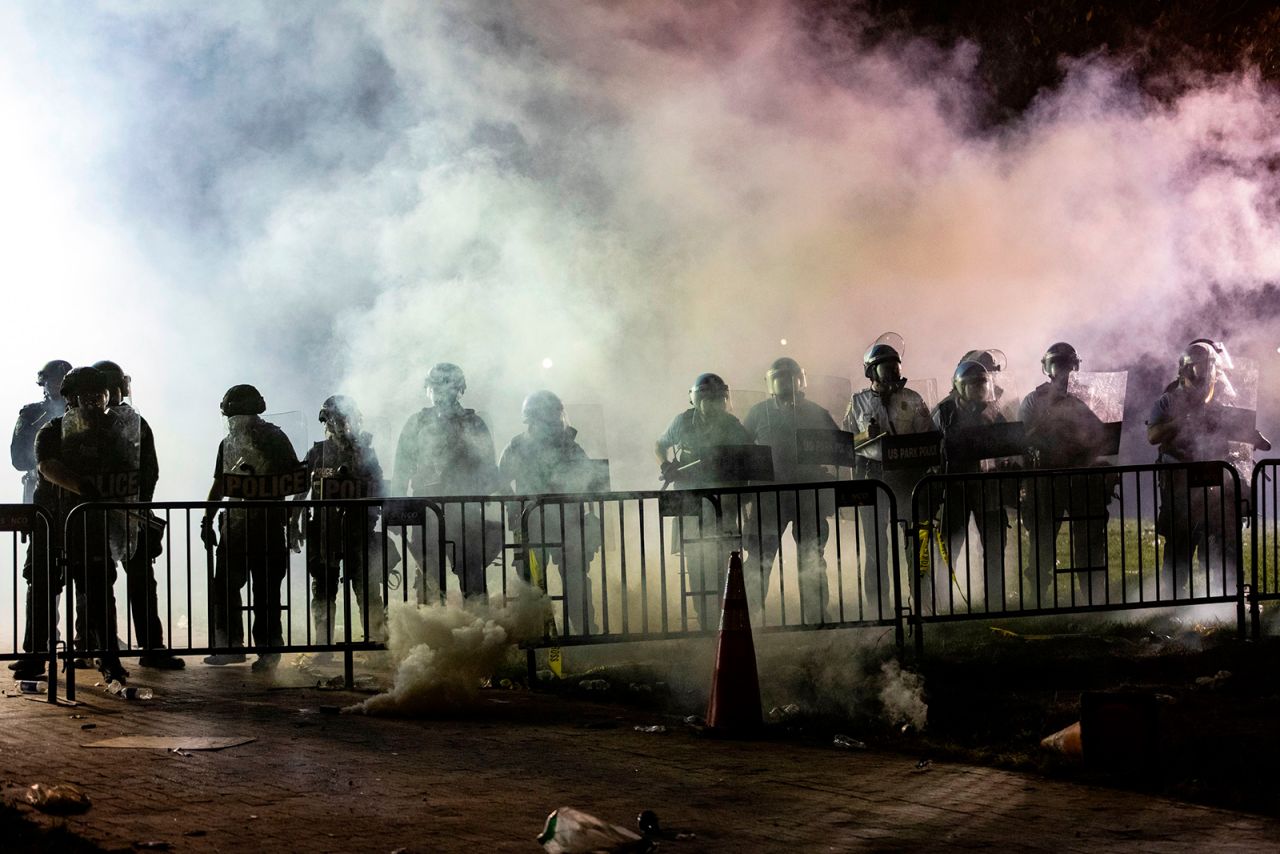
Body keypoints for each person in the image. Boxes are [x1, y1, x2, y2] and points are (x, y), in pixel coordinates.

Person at [30, 366, 131, 684]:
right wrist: (85, 488)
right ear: (71, 398)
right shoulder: (53, 429)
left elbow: (128, 474)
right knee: (43, 588)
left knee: (101, 593)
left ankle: (108, 658)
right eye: (86, 394)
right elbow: (47, 466)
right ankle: (34, 657)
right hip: (53, 521)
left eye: (98, 394)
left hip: (92, 526)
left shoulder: (113, 433)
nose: (93, 400)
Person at [1146, 343, 1269, 599]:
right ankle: (1173, 599)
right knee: (1180, 542)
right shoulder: (1169, 400)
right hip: (1180, 481)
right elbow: (1153, 435)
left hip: (1217, 481)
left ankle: (1229, 597)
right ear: (1186, 369)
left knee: (1225, 540)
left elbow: (1240, 433)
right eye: (1197, 367)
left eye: (1208, 366)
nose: (1202, 372)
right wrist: (1182, 420)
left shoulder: (1223, 399)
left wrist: (1252, 436)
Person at [202, 384, 301, 671]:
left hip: (266, 527)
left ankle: (268, 651)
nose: (235, 423)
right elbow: (220, 484)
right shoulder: (229, 444)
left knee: (265, 591)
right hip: (236, 527)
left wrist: (291, 517)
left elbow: (296, 479)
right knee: (226, 587)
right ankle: (231, 646)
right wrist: (207, 519)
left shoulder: (274, 439)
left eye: (238, 417)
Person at [92, 360, 184, 669]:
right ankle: (137, 647)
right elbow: (150, 472)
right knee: (128, 582)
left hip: (117, 514)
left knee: (132, 581)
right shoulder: (123, 423)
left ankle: (125, 647)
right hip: (119, 514)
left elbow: (149, 471)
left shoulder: (119, 423)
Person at [391, 362, 504, 602]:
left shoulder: (474, 424)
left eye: (448, 387)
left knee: (472, 576)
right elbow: (401, 469)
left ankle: (478, 630)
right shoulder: (417, 424)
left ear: (459, 390)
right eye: (436, 387)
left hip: (465, 512)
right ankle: (431, 631)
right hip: (426, 512)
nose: (442, 393)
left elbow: (488, 471)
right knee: (429, 579)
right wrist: (395, 510)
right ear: (428, 390)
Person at [742, 357, 841, 625]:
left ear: (800, 380)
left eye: (791, 377)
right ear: (772, 383)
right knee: (760, 558)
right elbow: (741, 451)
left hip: (807, 495)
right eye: (780, 378)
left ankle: (817, 613)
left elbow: (838, 446)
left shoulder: (817, 412)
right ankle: (747, 616)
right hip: (768, 497)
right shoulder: (757, 413)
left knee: (812, 555)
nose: (786, 383)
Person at [654, 373, 753, 629]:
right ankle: (704, 620)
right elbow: (660, 443)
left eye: (718, 399)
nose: (714, 404)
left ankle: (725, 618)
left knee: (724, 560)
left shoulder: (732, 425)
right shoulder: (683, 422)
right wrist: (665, 464)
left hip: (724, 502)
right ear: (698, 400)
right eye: (709, 399)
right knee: (695, 560)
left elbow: (750, 455)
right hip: (691, 502)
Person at [844, 340, 933, 619]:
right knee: (875, 547)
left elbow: (928, 437)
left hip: (908, 478)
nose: (893, 373)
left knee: (915, 543)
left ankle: (922, 601)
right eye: (886, 368)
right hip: (874, 477)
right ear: (871, 372)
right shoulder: (857, 402)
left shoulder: (914, 399)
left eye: (895, 367)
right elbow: (845, 443)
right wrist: (863, 436)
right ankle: (878, 607)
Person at [500, 390, 600, 634]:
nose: (554, 421)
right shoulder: (518, 446)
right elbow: (501, 478)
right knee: (530, 584)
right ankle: (533, 636)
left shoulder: (570, 446)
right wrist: (514, 505)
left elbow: (590, 479)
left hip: (568, 524)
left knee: (575, 579)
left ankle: (584, 631)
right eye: (549, 416)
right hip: (531, 525)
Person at [1018, 343, 1111, 606]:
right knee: (1042, 542)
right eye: (1058, 366)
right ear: (1048, 369)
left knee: (1089, 541)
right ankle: (1039, 599)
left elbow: (1106, 435)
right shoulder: (1034, 400)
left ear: (1076, 367)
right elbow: (1021, 440)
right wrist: (1048, 418)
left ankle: (1094, 597)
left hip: (1083, 477)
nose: (1063, 372)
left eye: (1067, 366)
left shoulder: (1091, 396)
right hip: (1046, 478)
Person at [302, 395, 388, 660]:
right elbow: (299, 489)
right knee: (324, 589)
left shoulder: (365, 453)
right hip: (326, 531)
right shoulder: (318, 453)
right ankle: (323, 645)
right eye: (335, 419)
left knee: (368, 588)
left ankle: (375, 644)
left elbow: (380, 489)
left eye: (344, 418)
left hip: (360, 529)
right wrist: (294, 522)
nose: (340, 424)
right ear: (326, 421)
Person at [930, 360, 1011, 612]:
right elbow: (929, 446)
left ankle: (995, 603)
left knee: (995, 544)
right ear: (960, 387)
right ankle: (942, 602)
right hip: (954, 486)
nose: (978, 390)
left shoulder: (994, 413)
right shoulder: (943, 413)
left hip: (988, 487)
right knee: (950, 545)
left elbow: (1009, 444)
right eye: (973, 385)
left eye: (982, 385)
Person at [11, 360, 71, 505]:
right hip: (41, 491)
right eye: (56, 380)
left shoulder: (83, 414)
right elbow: (19, 459)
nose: (60, 385)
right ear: (45, 383)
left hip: (74, 490)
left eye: (64, 380)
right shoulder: (31, 415)